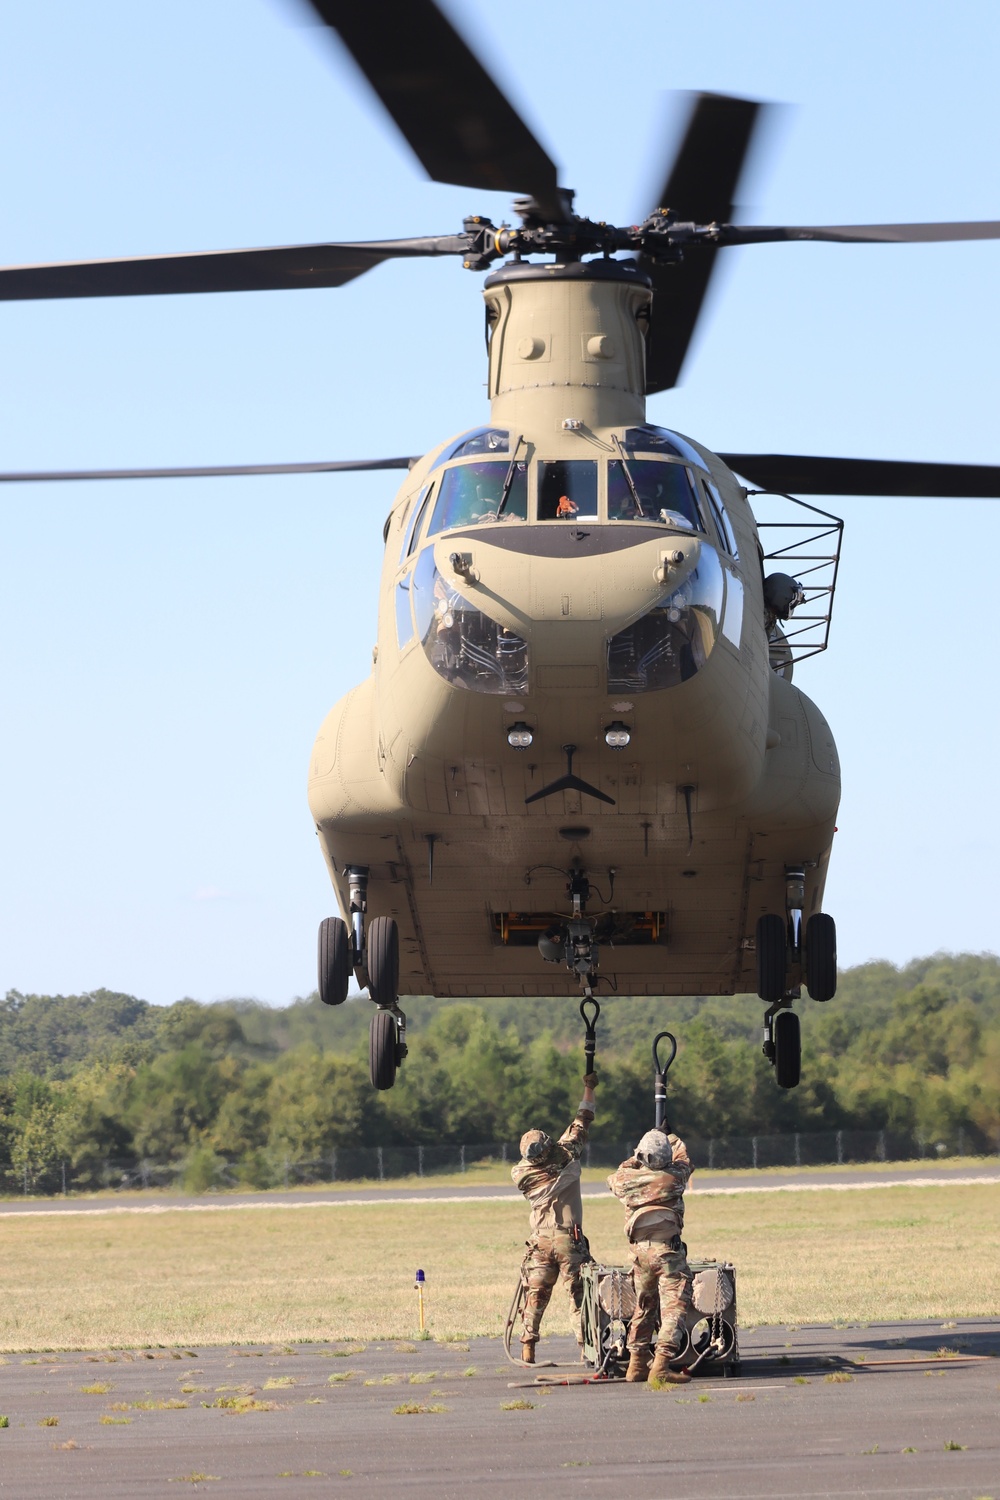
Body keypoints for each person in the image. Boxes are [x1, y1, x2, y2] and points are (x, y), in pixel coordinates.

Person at [511, 1074, 597, 1364]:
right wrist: (589, 1087)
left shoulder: (522, 1174)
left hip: (540, 1241)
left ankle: (528, 1346)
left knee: (535, 1296)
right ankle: (587, 1349)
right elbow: (582, 1119)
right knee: (579, 1296)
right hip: (568, 1238)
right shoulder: (567, 1157)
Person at [607, 1128, 694, 1384]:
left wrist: (638, 1156)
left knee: (644, 1307)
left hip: (640, 1254)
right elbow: (685, 1161)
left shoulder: (624, 1180)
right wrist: (673, 1138)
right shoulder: (673, 1178)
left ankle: (636, 1365)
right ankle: (661, 1365)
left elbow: (620, 1171)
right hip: (667, 1252)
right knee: (675, 1306)